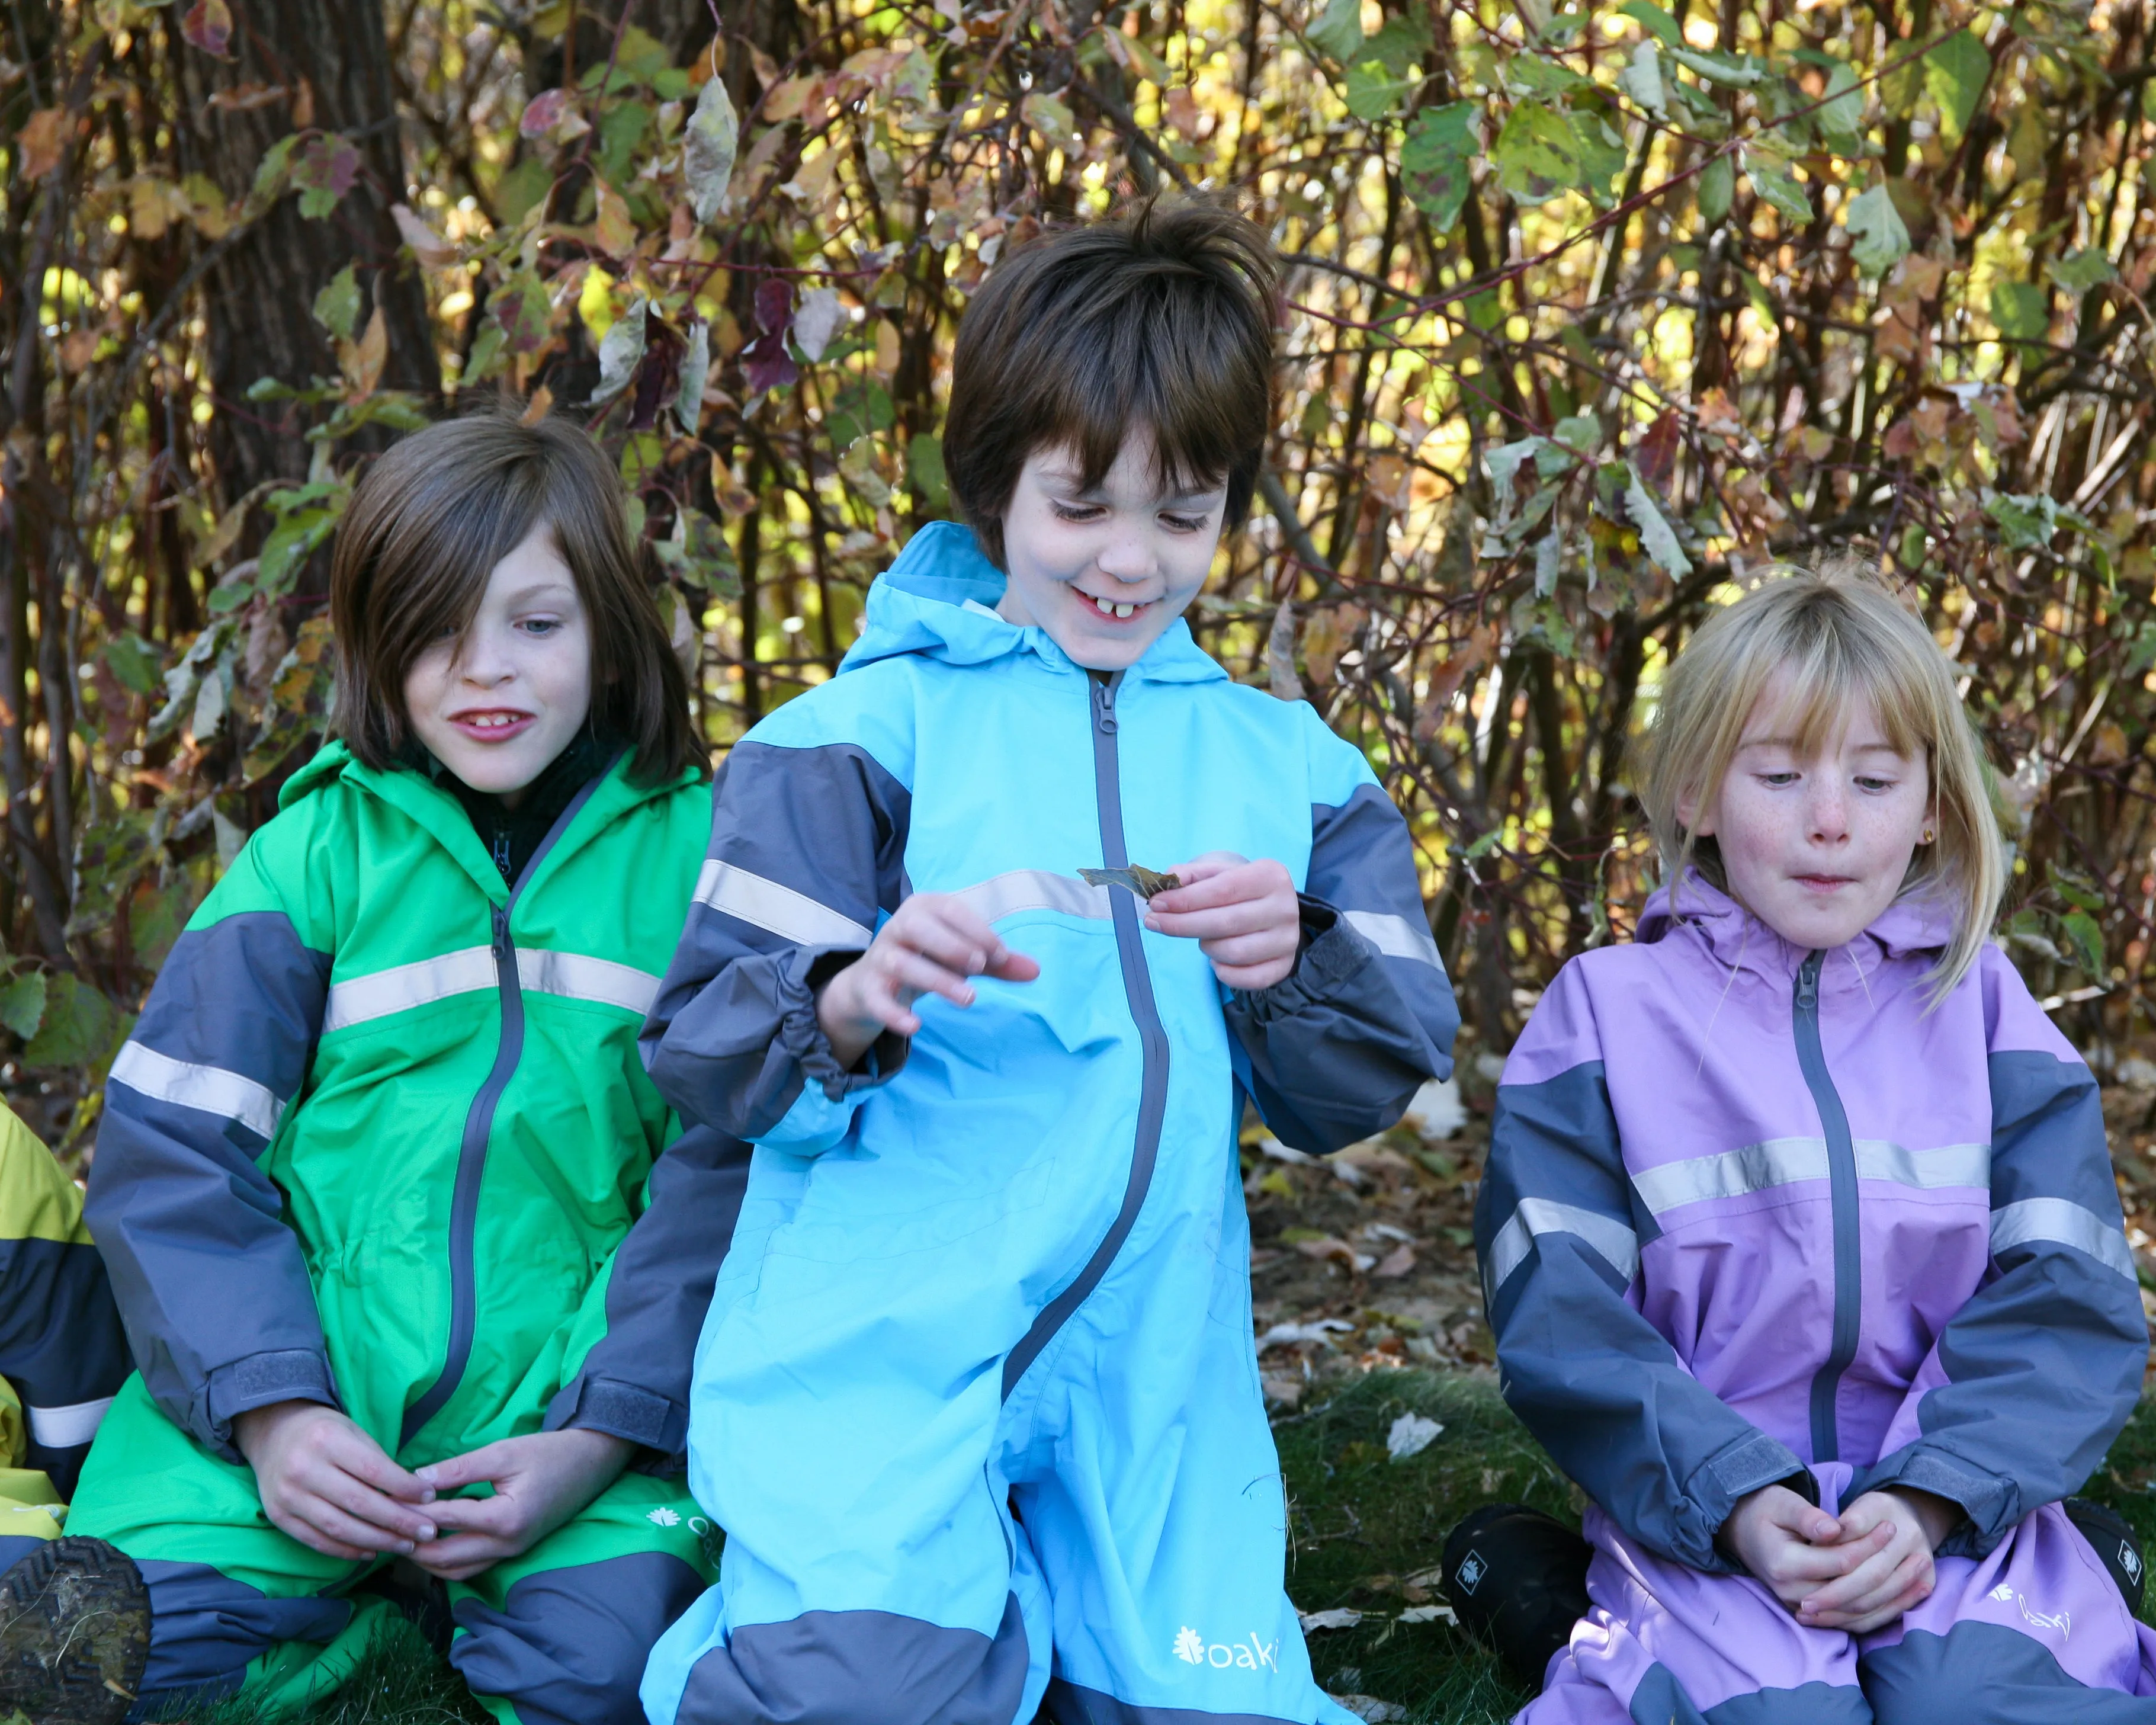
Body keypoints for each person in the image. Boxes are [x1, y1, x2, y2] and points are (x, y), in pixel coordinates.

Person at [636, 197, 1459, 1725]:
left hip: (1154, 1384)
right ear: (995, 475)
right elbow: (702, 1041)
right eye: (1081, 504)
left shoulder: (1289, 767)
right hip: (877, 1351)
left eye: (1184, 512)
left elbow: (1379, 1065)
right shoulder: (850, 737)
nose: (1130, 561)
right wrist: (855, 990)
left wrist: (1299, 956)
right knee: (847, 1701)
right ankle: (794, 1624)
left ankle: (1043, 1615)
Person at [55, 412, 750, 1725]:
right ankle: (351, 1601)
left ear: (607, 632)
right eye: (436, 628)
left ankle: (446, 1600)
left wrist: (595, 1437)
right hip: (297, 1410)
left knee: (613, 1676)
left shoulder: (700, 868)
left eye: (534, 625)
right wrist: (272, 1417)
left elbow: (715, 1189)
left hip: (568, 1428)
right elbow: (171, 1158)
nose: (484, 670)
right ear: (379, 645)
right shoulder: (310, 861)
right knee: (138, 1660)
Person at [1472, 564, 2155, 1723]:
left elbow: (2066, 1291)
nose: (1828, 816)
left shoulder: (1986, 1011)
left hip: (1946, 1496)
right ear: (1693, 790)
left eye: (1874, 777)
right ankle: (1565, 1602)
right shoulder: (1602, 1015)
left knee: (1976, 1707)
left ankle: (2057, 1553)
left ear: (1933, 802)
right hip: (1704, 1507)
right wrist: (1734, 1500)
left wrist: (1930, 1497)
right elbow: (1560, 1316)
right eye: (1779, 774)